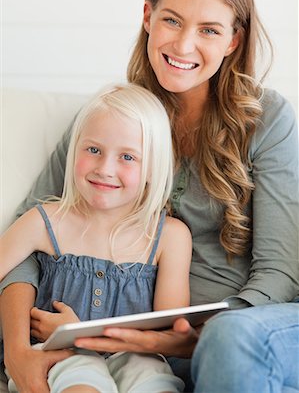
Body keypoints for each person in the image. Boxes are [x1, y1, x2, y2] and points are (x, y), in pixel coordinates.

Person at [0, 0, 298, 393]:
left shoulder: (268, 118)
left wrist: (194, 333)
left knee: (230, 340)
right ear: (147, 17)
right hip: (124, 345)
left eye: (209, 30)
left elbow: (280, 272)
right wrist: (18, 350)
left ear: (233, 41)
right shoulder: (111, 120)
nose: (183, 45)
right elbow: (31, 234)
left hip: (235, 326)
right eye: (172, 20)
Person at [0, 83, 192, 393]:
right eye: (93, 150)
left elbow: (172, 333)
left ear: (152, 169)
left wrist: (81, 330)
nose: (105, 168)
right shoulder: (44, 220)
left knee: (154, 380)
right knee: (81, 381)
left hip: (137, 356)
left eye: (127, 157)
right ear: (74, 150)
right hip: (60, 354)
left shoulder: (170, 237)